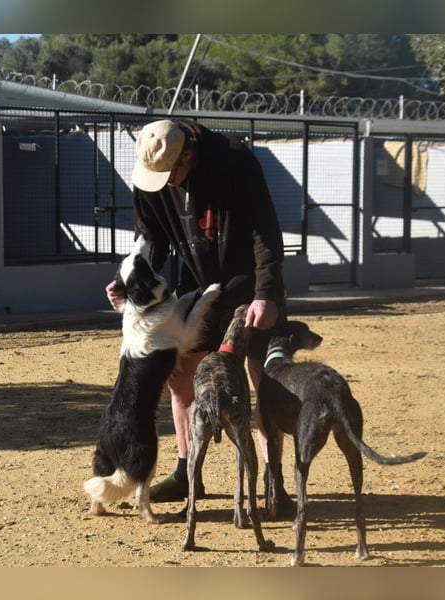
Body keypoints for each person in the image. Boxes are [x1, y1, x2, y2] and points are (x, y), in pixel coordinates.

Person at [105, 118, 294, 513]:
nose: (160, 184)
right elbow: (151, 239)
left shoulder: (235, 161)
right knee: (181, 380)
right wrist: (129, 285)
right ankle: (186, 473)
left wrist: (265, 295)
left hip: (251, 286)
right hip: (203, 285)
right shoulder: (152, 172)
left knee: (263, 380)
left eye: (169, 175)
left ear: (187, 157)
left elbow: (265, 232)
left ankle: (274, 481)